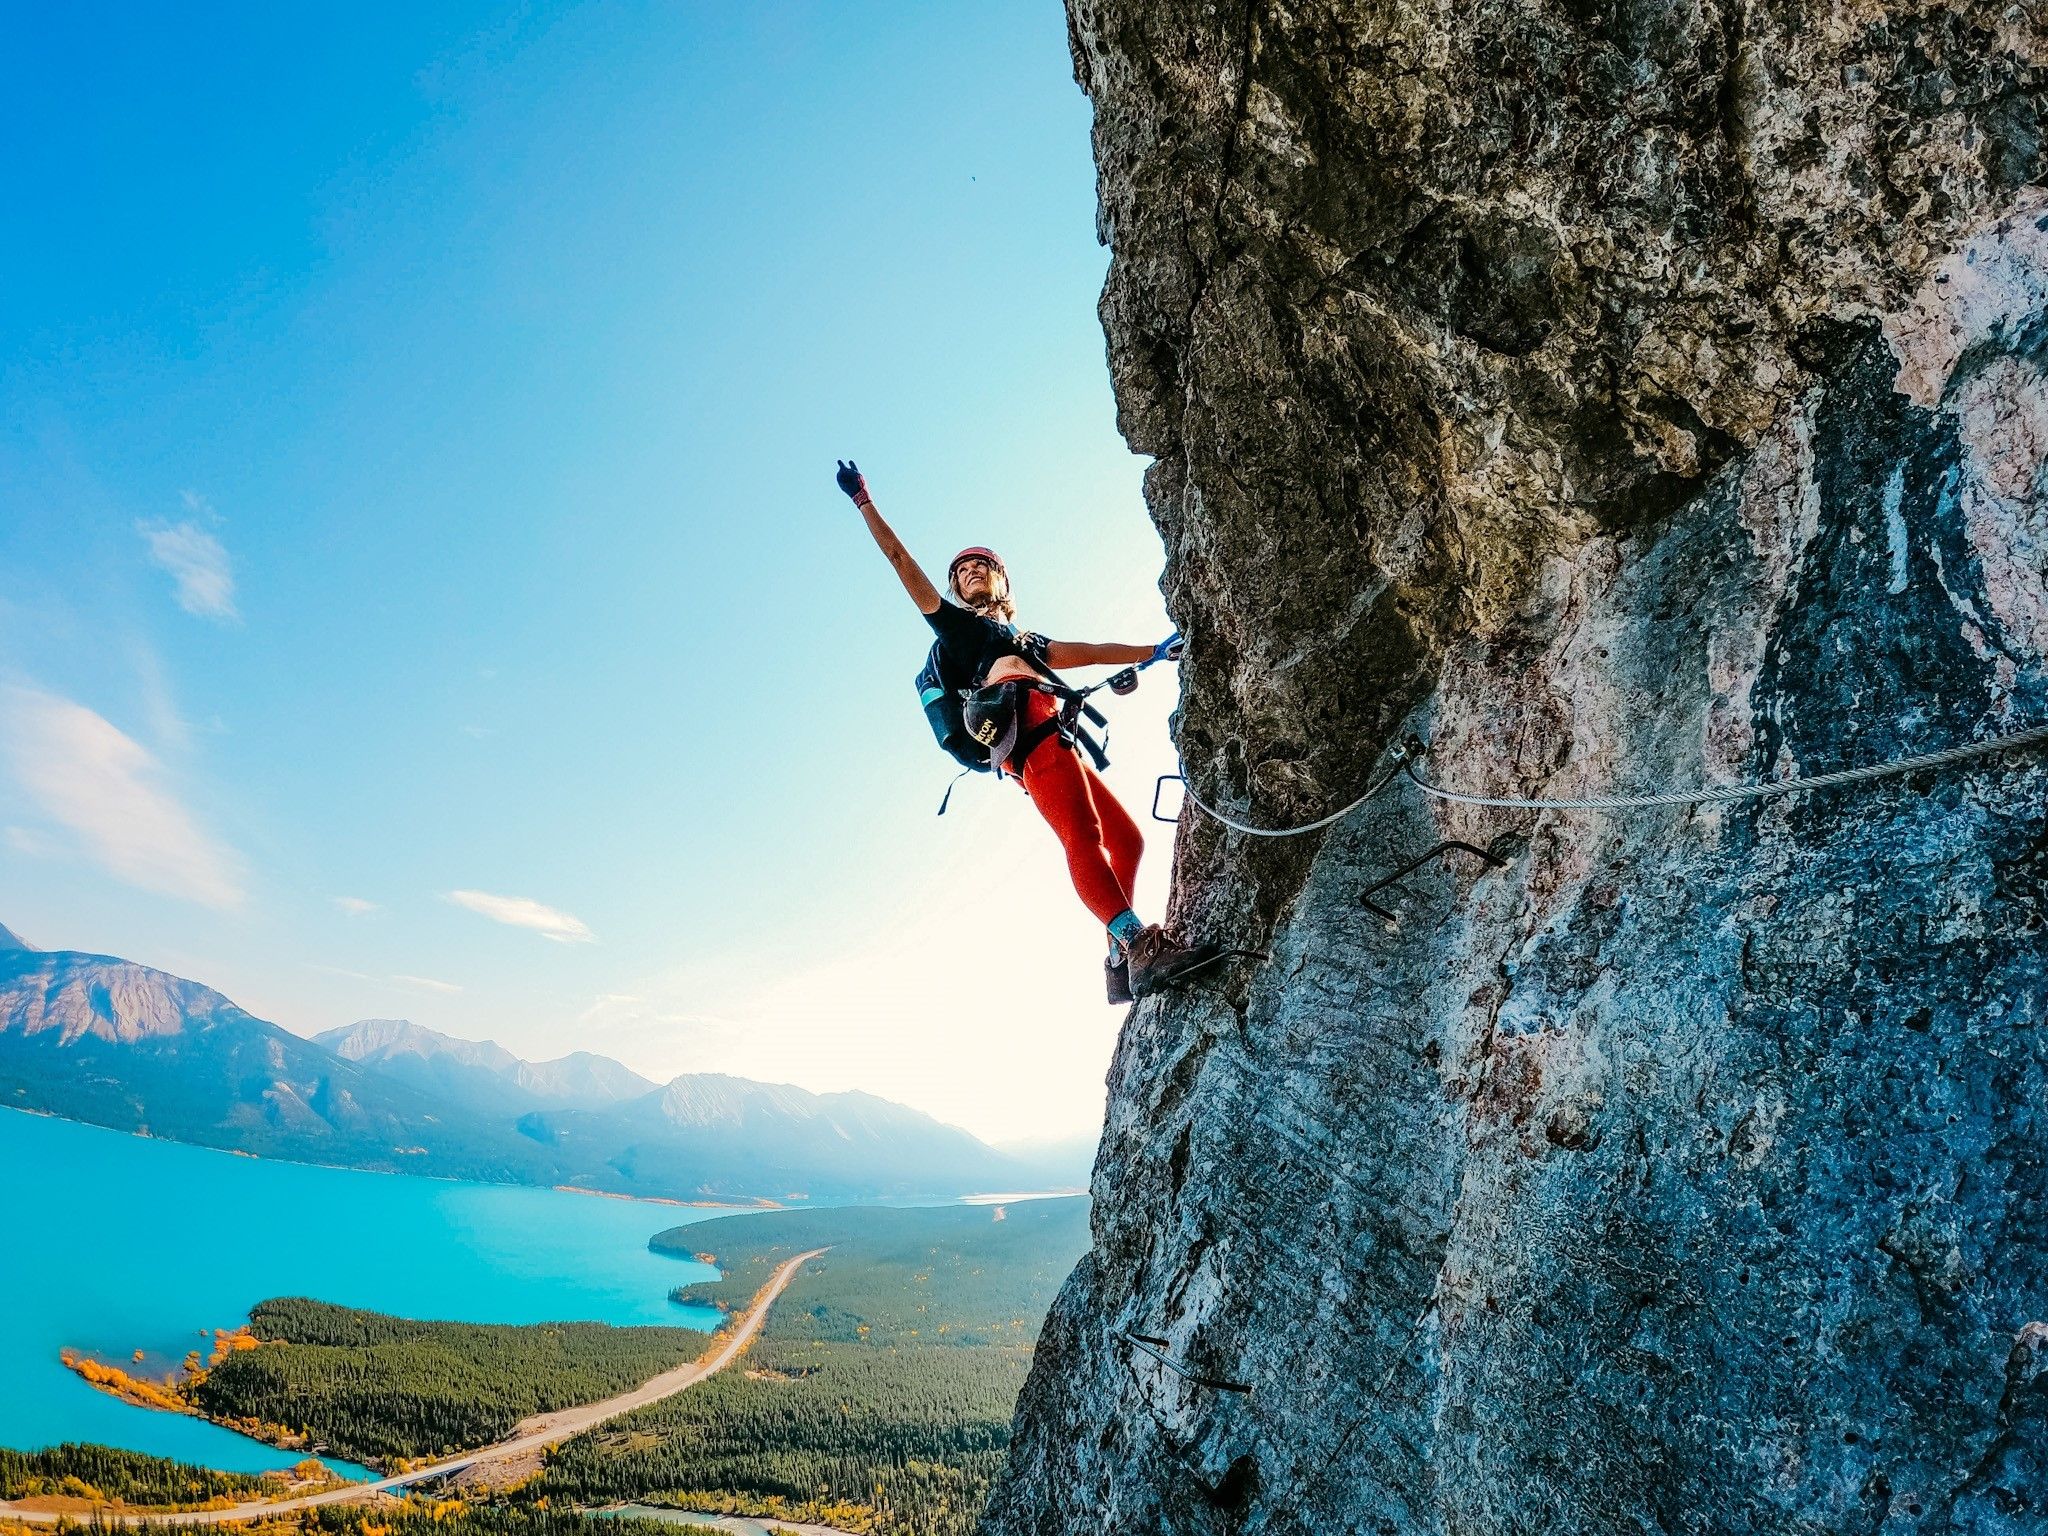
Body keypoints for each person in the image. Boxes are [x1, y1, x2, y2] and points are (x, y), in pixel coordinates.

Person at [836, 459, 1220, 1003]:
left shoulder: (1019, 638)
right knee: (1083, 836)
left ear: (1001, 580)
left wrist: (1155, 651)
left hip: (1052, 732)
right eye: (960, 571)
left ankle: (1118, 956)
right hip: (1028, 737)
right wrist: (864, 501)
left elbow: (1085, 653)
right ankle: (1138, 946)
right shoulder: (960, 632)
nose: (968, 572)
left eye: (979, 565)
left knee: (1128, 839)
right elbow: (901, 561)